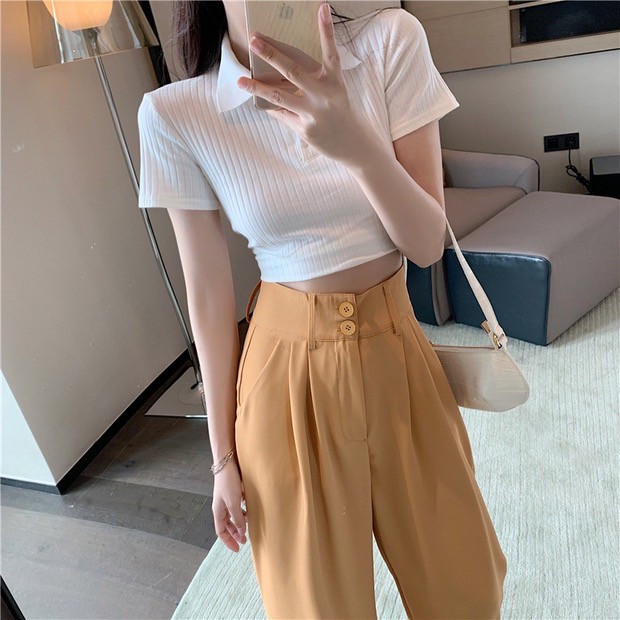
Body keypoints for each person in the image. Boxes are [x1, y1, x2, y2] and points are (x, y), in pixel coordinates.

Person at [137, 1, 508, 618]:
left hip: (399, 354)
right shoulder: (174, 113)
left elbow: (425, 245)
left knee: (465, 589)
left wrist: (354, 144)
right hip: (281, 380)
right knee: (316, 607)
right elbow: (208, 296)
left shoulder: (389, 43)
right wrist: (222, 458)